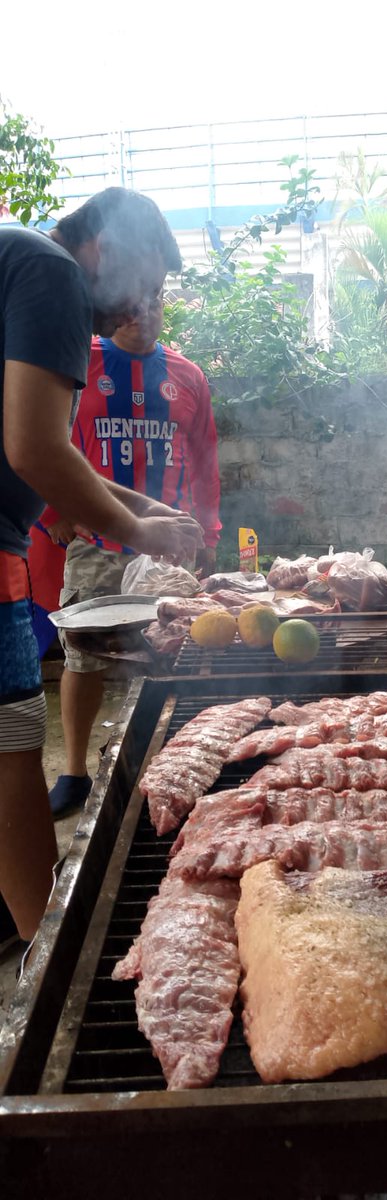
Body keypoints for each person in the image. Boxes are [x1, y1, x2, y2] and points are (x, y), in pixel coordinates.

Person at [0, 187, 204, 948]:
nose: (141, 307)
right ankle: (45, 955)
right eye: (148, 282)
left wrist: (137, 511)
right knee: (14, 751)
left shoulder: (19, 260)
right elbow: (36, 451)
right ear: (107, 245)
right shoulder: (49, 271)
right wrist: (138, 534)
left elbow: (49, 449)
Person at [43, 293, 222, 817]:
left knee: (168, 658)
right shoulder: (81, 362)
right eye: (134, 304)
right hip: (97, 544)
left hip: (169, 555)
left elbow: (206, 461)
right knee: (83, 659)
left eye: (157, 302)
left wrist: (207, 536)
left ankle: (157, 765)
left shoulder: (187, 376)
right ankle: (74, 772)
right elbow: (43, 442)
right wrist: (51, 513)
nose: (146, 314)